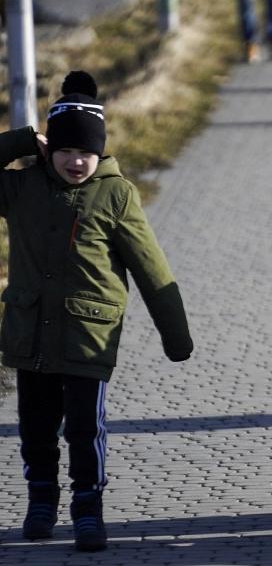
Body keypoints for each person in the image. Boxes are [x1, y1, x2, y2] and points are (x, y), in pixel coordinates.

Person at [0, 71, 193, 552]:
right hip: (29, 334)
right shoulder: (20, 189)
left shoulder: (116, 194)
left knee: (86, 430)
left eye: (85, 152)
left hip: (89, 336)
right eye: (65, 150)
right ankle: (41, 501)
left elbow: (152, 268)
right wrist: (24, 138)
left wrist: (176, 336)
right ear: (49, 150)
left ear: (100, 152)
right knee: (36, 428)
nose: (75, 160)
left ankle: (88, 508)